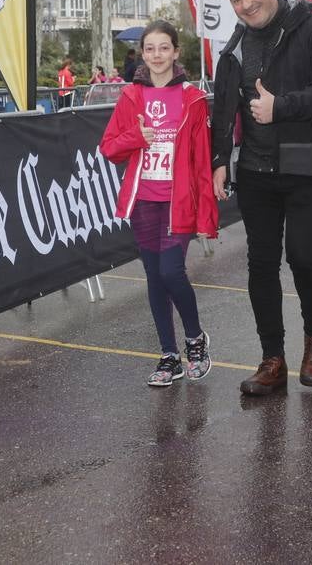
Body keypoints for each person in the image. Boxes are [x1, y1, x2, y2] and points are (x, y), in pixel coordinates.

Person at [209, 0, 312, 395]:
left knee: (304, 257)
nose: (246, 4)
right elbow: (222, 110)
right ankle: (272, 359)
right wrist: (220, 160)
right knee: (261, 264)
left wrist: (281, 107)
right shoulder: (234, 46)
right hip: (255, 170)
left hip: (308, 164)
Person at [100, 21, 217, 386]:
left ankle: (195, 340)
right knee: (154, 277)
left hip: (177, 201)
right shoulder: (131, 96)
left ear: (176, 52)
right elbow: (109, 148)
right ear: (143, 53)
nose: (157, 55)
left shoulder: (192, 99)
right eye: (150, 49)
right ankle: (169, 356)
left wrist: (206, 215)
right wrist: (137, 136)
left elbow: (200, 159)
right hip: (144, 203)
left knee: (171, 272)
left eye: (164, 48)